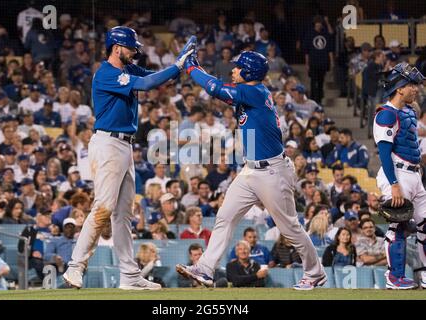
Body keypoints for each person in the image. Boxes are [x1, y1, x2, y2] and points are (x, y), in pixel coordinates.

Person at [176, 49, 325, 290]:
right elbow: (217, 86)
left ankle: (315, 272)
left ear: (249, 71)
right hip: (251, 170)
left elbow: (214, 88)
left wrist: (191, 68)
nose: (233, 70)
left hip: (272, 171)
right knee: (225, 216)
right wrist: (195, 65)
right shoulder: (251, 91)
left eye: (237, 67)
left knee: (289, 227)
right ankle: (205, 268)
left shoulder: (253, 91)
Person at [63, 27, 196, 290]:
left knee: (123, 214)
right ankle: (75, 267)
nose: (135, 52)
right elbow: (147, 84)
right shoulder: (107, 73)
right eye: (131, 48)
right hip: (107, 143)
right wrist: (178, 64)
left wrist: (180, 66)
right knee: (103, 208)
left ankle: (129, 276)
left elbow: (156, 78)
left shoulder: (128, 70)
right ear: (116, 48)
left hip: (124, 146)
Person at [373, 62, 426, 289]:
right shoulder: (385, 115)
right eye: (412, 84)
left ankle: (424, 275)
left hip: (414, 175)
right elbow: (384, 154)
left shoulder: (409, 111)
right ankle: (394, 278)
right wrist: (394, 184)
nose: (417, 88)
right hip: (396, 173)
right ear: (400, 87)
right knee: (398, 225)